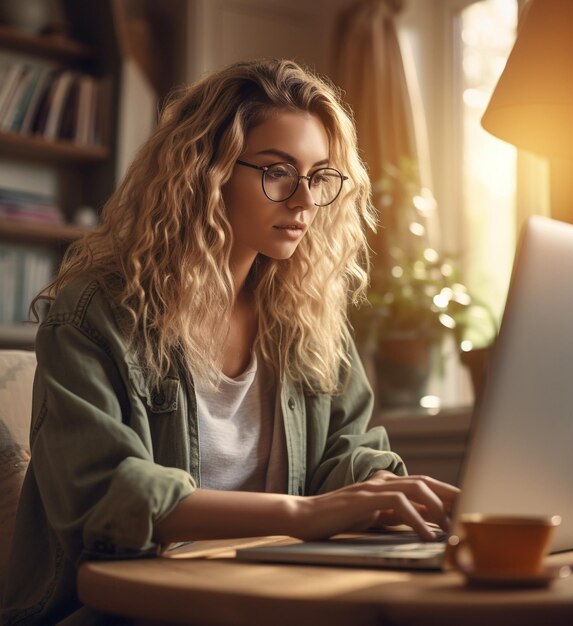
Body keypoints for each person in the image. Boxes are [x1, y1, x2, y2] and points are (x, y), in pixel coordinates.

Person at [2, 59, 459, 625]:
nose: (305, 203)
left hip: (263, 594)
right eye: (277, 172)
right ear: (205, 171)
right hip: (117, 608)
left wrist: (385, 488)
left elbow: (348, 446)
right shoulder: (94, 314)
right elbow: (105, 495)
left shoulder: (308, 315)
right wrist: (303, 513)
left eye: (319, 177)